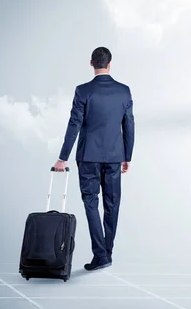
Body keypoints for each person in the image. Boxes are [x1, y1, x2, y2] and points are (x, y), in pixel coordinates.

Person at [52, 46, 135, 271]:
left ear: (91, 63)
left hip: (88, 156)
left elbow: (74, 124)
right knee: (112, 203)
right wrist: (127, 155)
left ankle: (101, 254)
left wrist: (63, 157)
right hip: (115, 155)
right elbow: (128, 124)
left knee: (91, 202)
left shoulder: (83, 91)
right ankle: (106, 252)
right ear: (110, 64)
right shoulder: (124, 91)